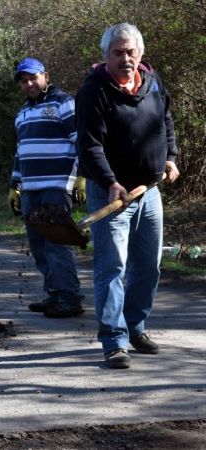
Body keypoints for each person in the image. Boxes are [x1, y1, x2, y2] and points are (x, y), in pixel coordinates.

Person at [76, 23, 180, 369]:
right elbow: (89, 145)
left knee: (148, 265)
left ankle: (135, 326)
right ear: (105, 56)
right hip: (112, 195)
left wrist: (170, 158)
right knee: (112, 268)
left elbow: (166, 121)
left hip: (148, 192)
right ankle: (114, 339)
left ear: (141, 54)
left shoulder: (152, 83)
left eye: (130, 52)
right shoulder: (94, 91)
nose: (125, 59)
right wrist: (109, 181)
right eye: (117, 53)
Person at [9, 57, 86, 318]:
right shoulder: (22, 113)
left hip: (56, 185)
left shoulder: (64, 103)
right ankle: (54, 293)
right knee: (38, 242)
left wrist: (83, 177)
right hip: (30, 187)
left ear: (46, 76)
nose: (29, 84)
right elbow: (20, 152)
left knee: (56, 241)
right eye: (23, 81)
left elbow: (81, 142)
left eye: (33, 78)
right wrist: (15, 185)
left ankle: (70, 297)